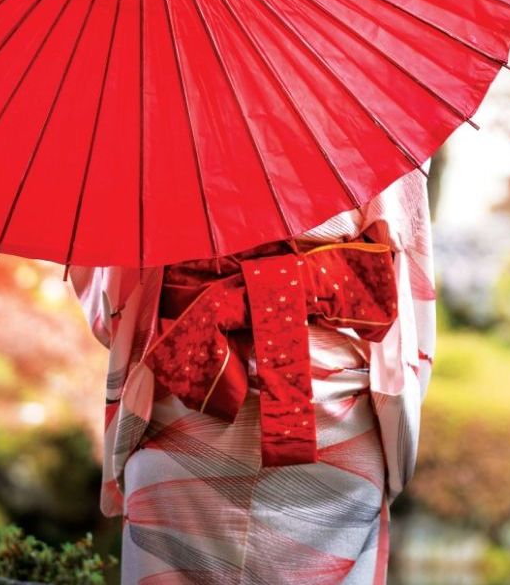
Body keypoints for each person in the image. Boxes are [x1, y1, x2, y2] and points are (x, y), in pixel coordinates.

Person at [71, 167, 436, 584]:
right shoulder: (369, 123)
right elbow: (407, 293)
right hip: (336, 420)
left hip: (189, 401)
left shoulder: (147, 131)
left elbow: (111, 307)